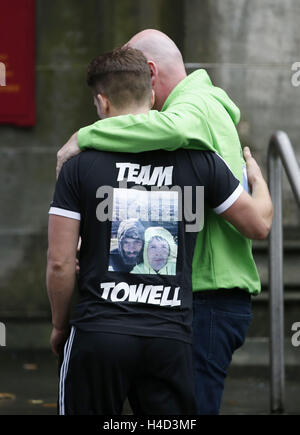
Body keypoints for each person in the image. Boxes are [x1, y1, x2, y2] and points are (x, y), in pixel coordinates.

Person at [47, 46, 272, 415]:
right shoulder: (201, 161)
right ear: (152, 97)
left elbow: (59, 262)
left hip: (99, 330)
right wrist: (258, 180)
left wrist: (59, 324)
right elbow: (258, 224)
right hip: (171, 337)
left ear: (102, 103)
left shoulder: (78, 166)